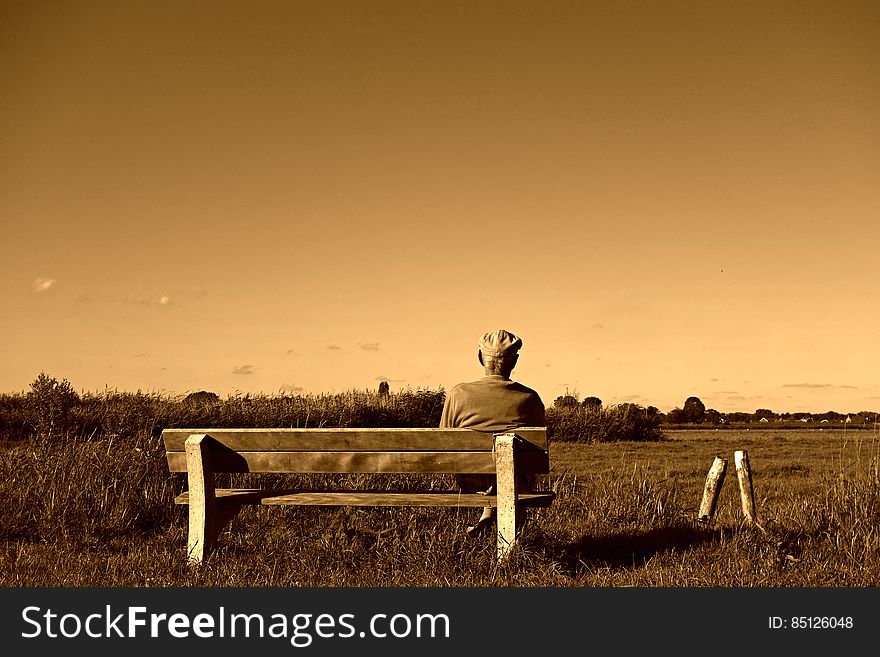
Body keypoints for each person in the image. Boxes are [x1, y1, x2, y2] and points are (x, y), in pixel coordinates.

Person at [440, 329, 545, 536]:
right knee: (516, 468)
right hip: (516, 480)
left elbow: (444, 439)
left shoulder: (458, 393)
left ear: (480, 358)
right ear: (514, 361)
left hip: (470, 480)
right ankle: (511, 545)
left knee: (493, 470)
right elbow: (539, 449)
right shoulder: (530, 398)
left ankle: (487, 516)